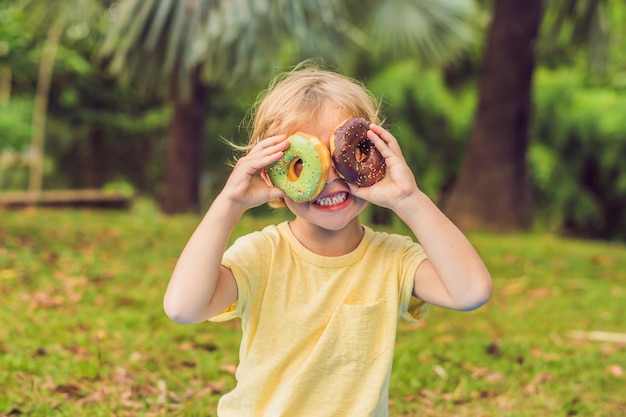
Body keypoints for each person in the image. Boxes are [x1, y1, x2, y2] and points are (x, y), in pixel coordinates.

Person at [163, 63, 492, 416]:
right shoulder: (261, 255)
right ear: (273, 173)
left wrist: (408, 199)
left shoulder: (393, 260)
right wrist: (230, 203)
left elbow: (471, 291)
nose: (331, 180)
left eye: (344, 157)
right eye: (307, 164)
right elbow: (184, 307)